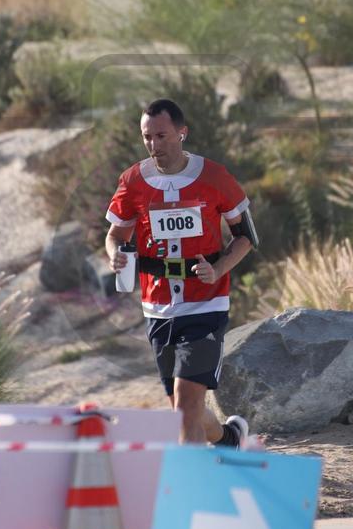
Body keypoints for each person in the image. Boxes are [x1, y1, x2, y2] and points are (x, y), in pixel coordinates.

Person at [105, 98, 259, 447]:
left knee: (187, 404)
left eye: (161, 136)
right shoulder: (133, 180)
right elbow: (115, 235)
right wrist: (115, 255)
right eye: (147, 137)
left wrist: (217, 268)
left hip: (206, 303)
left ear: (182, 133)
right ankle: (230, 437)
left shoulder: (214, 176)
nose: (153, 145)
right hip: (157, 307)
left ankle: (193, 476)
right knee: (184, 409)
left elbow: (246, 236)